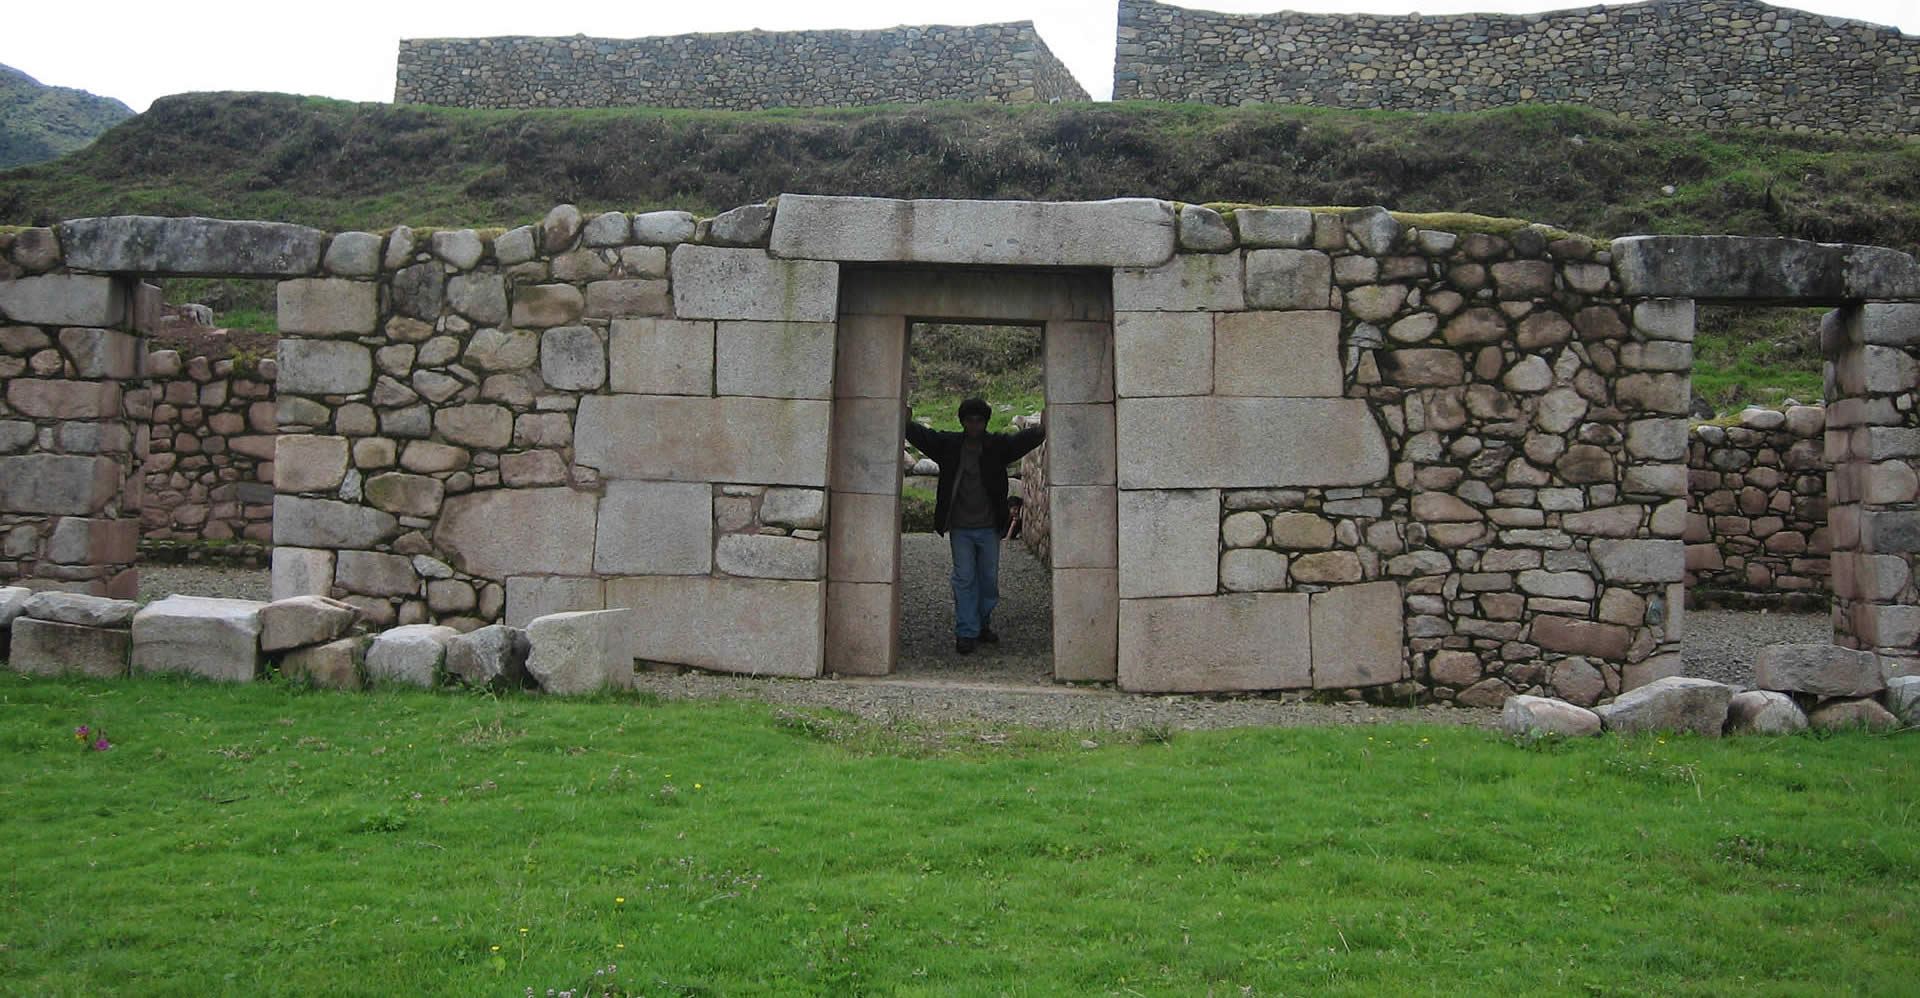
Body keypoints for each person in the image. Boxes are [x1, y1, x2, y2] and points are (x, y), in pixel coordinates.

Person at [904, 398, 1045, 654]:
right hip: (960, 526)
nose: (974, 425)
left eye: (979, 420)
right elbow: (926, 437)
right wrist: (905, 423)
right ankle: (966, 631)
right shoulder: (950, 446)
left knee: (988, 580)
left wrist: (1042, 429)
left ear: (985, 422)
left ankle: (982, 623)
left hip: (990, 526)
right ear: (962, 422)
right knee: (964, 578)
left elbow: (1020, 442)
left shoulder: (996, 447)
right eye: (970, 420)